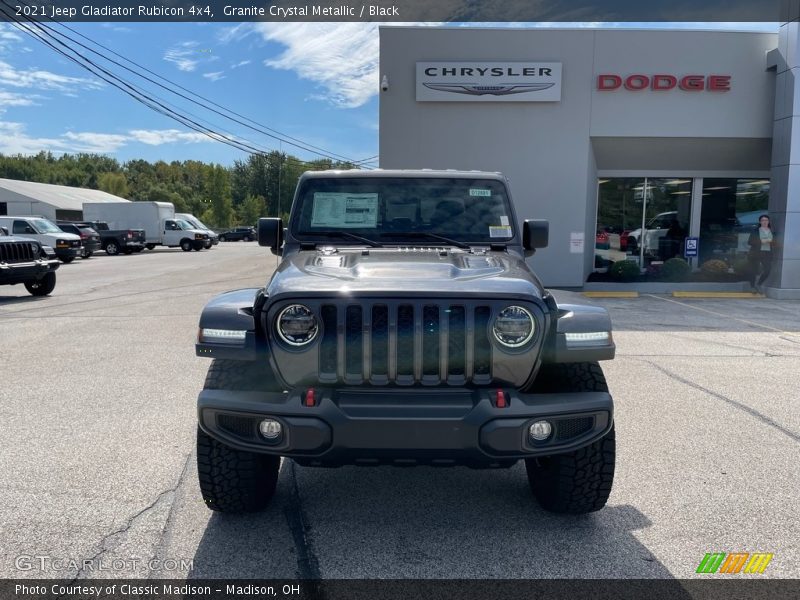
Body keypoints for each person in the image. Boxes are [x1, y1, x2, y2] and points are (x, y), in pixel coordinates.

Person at [747, 214, 776, 292]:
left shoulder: (772, 231)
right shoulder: (756, 230)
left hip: (767, 253)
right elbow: (749, 242)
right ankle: (752, 287)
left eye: (766, 220)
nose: (764, 222)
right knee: (753, 270)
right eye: (762, 220)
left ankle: (759, 284)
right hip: (756, 253)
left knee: (767, 270)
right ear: (760, 222)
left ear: (769, 221)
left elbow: (775, 242)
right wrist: (761, 241)